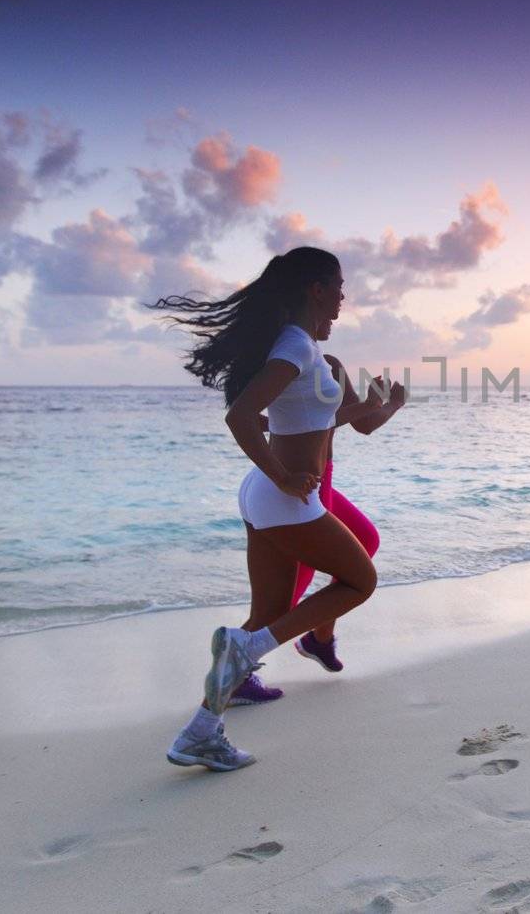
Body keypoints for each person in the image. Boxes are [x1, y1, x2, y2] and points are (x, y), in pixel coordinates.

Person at [149, 247, 382, 771]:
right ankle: (246, 648)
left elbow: (310, 421)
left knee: (273, 613)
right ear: (315, 289)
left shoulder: (304, 349)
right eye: (339, 285)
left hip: (267, 495)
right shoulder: (294, 348)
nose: (344, 296)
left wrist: (380, 408)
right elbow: (241, 415)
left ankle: (201, 732)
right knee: (361, 581)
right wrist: (284, 476)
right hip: (283, 496)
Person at [226, 363, 403, 704]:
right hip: (300, 484)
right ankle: (235, 675)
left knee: (366, 540)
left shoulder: (324, 362)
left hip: (320, 477)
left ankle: (319, 637)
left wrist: (384, 403)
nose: (338, 310)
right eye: (333, 305)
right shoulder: (291, 360)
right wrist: (391, 402)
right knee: (282, 601)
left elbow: (361, 424)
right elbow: (253, 418)